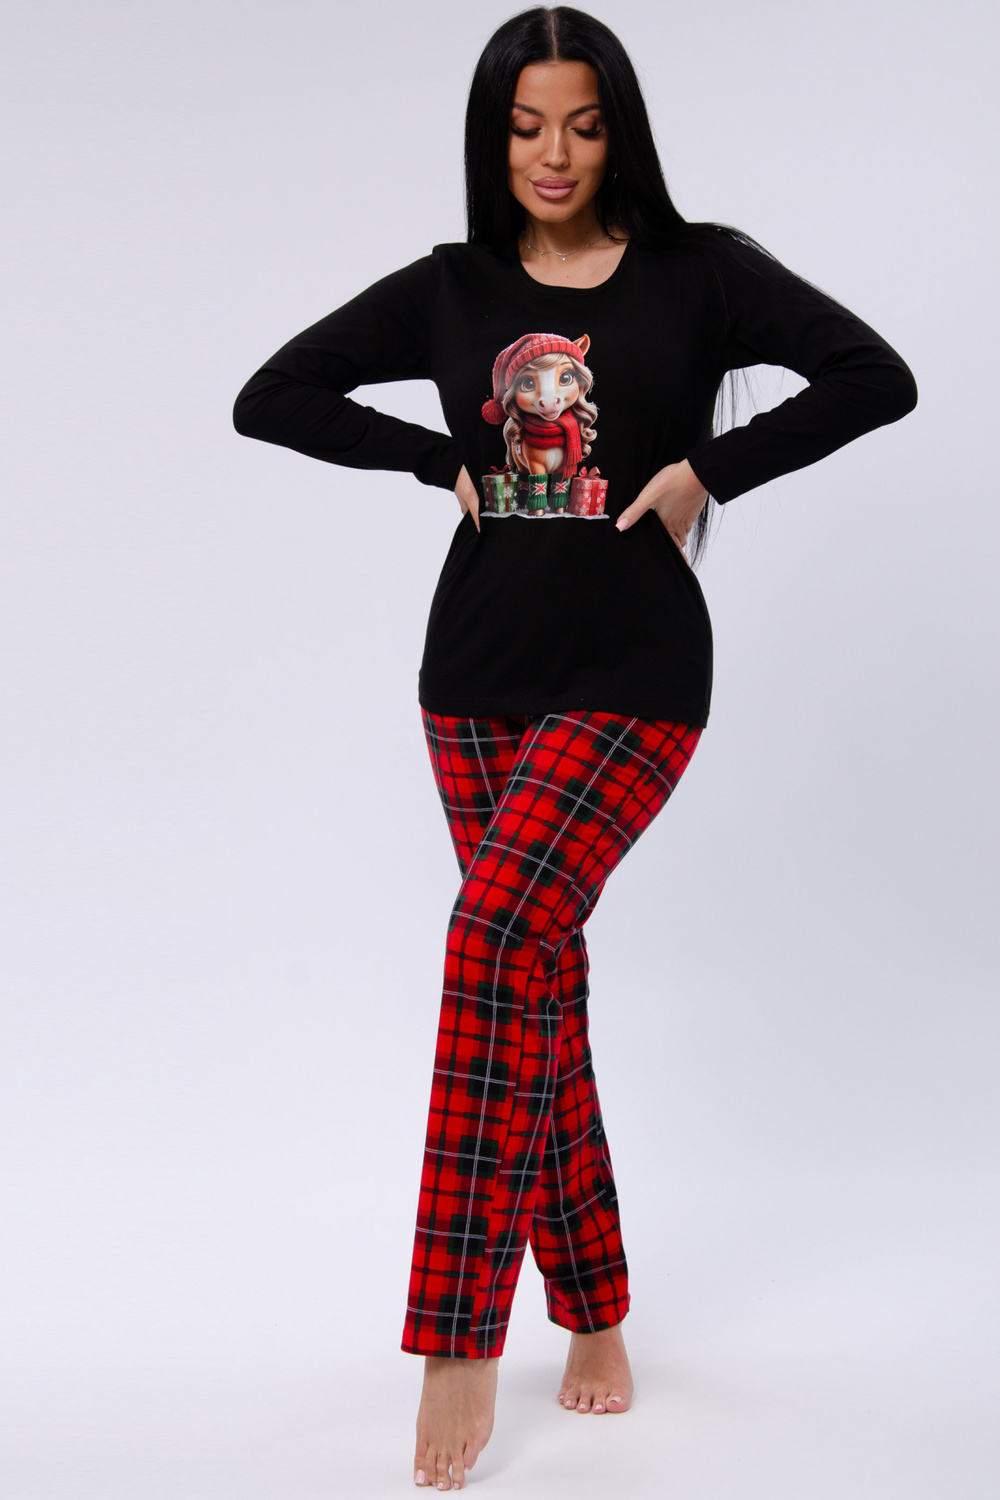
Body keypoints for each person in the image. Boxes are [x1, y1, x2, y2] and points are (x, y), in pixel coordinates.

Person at [232, 6, 918, 1489]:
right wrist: (438, 459)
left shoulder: (701, 272)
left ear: (623, 133)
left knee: (492, 941)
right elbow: (267, 397)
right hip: (473, 682)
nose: (555, 153)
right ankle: (596, 1313)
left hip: (638, 679)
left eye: (585, 125)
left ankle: (457, 1336)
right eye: (527, 125)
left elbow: (876, 374)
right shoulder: (450, 288)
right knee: (534, 978)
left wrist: (707, 471)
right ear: (494, 137)